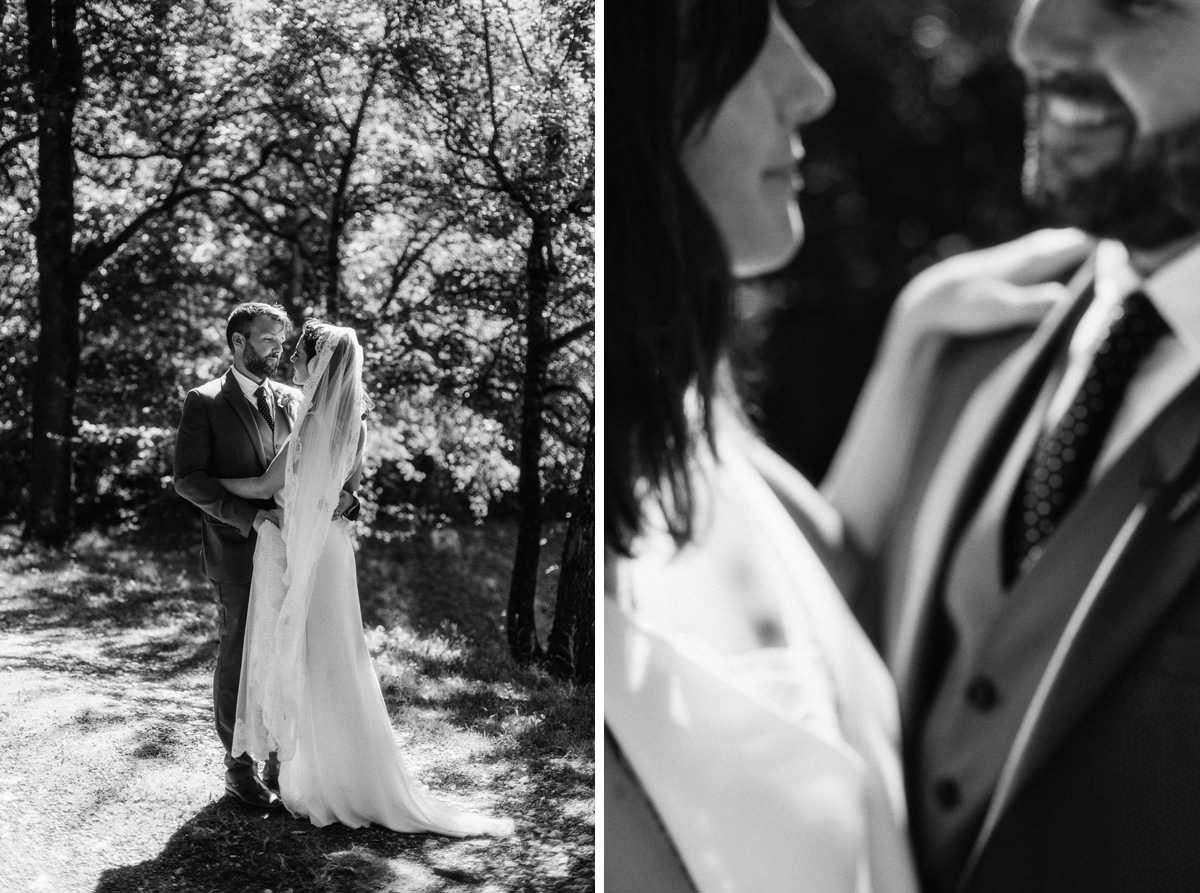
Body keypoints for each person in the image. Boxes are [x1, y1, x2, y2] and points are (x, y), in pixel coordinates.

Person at [822, 0, 1200, 889]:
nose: (1036, 41)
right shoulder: (968, 337)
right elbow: (807, 641)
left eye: (1135, 3)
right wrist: (903, 350)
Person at [604, 3, 930, 890]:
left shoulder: (699, 433)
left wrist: (917, 339)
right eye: (743, 36)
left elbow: (843, 583)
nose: (809, 86)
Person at [217, 320, 513, 837]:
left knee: (315, 659)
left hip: (308, 549)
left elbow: (267, 483)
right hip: (333, 549)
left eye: (300, 354)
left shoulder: (309, 418)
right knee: (339, 661)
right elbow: (348, 493)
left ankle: (327, 781)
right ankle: (339, 775)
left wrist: (208, 482)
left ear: (319, 362)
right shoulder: (356, 418)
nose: (291, 360)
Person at [173, 302, 301, 810]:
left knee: (284, 651)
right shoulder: (203, 402)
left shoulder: (294, 400)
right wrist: (249, 519)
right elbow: (189, 480)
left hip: (294, 550)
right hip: (236, 551)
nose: (278, 348)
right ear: (239, 343)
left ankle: (277, 757)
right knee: (239, 656)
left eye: (280, 339)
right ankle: (239, 766)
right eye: (268, 339)